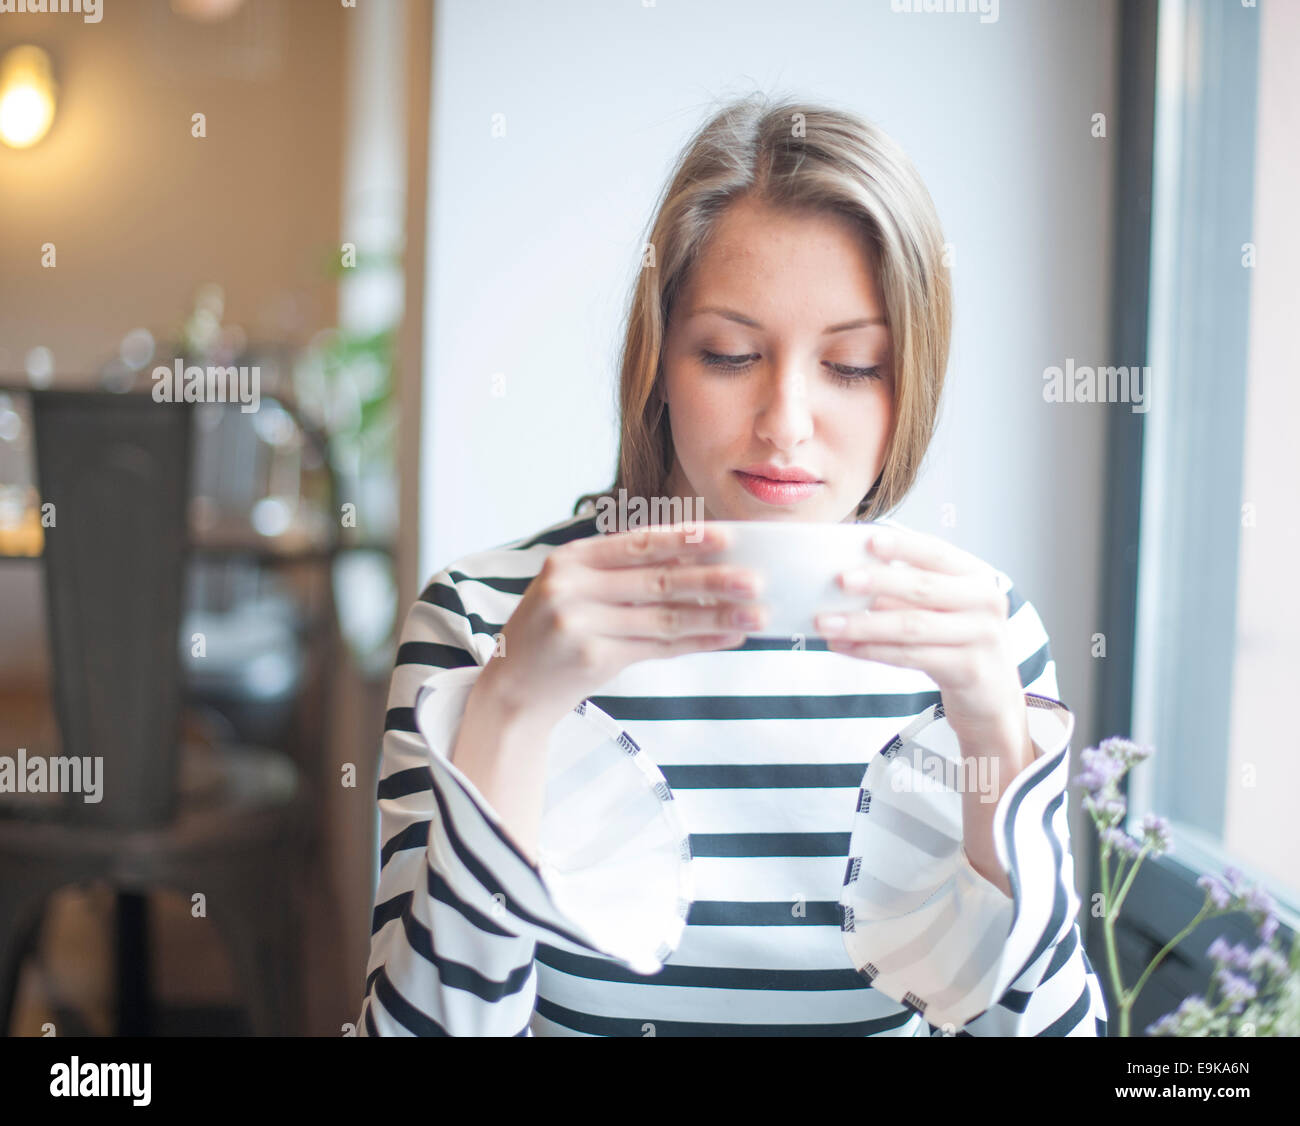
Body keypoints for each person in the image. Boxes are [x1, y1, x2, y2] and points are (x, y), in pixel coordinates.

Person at [357, 93, 1109, 1037]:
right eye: (731, 352)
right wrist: (509, 710)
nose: (786, 422)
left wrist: (997, 739)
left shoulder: (979, 633)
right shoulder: (478, 615)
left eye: (853, 366)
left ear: (910, 378)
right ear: (659, 358)